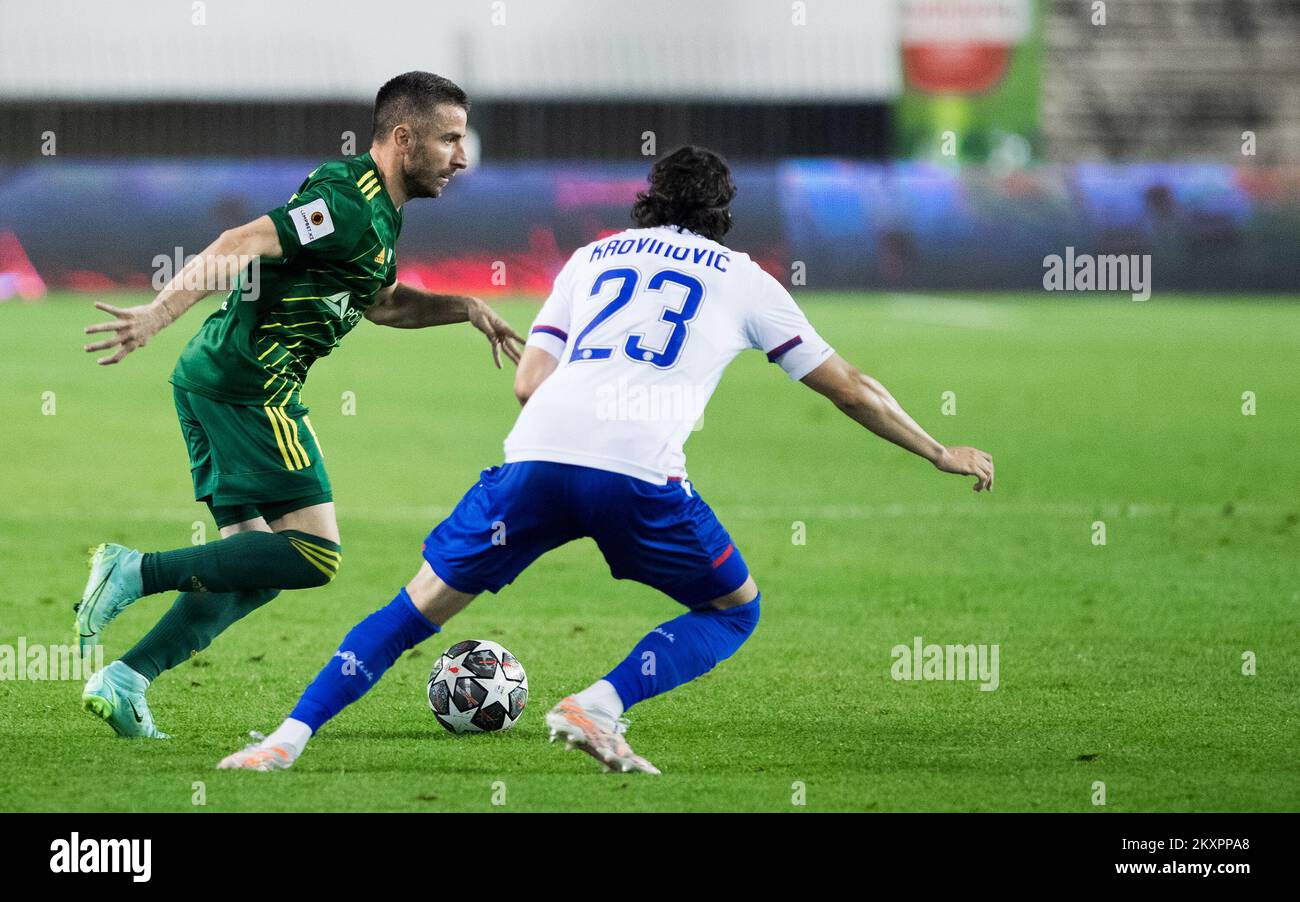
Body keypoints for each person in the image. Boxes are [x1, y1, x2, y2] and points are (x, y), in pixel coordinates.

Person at [217, 145, 993, 773]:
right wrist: (935, 450)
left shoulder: (593, 259)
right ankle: (601, 704)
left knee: (410, 611)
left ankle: (283, 741)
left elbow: (528, 381)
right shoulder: (746, 280)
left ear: (647, 198)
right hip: (639, 475)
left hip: (537, 459)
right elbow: (850, 389)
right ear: (723, 213)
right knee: (734, 608)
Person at [75, 72, 524, 739]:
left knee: (256, 566)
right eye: (451, 139)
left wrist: (464, 307)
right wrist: (156, 314)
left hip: (216, 381)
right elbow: (239, 244)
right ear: (404, 138)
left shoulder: (374, 211)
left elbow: (382, 303)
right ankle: (135, 569)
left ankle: (126, 679)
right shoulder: (346, 201)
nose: (463, 156)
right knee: (313, 554)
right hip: (249, 387)